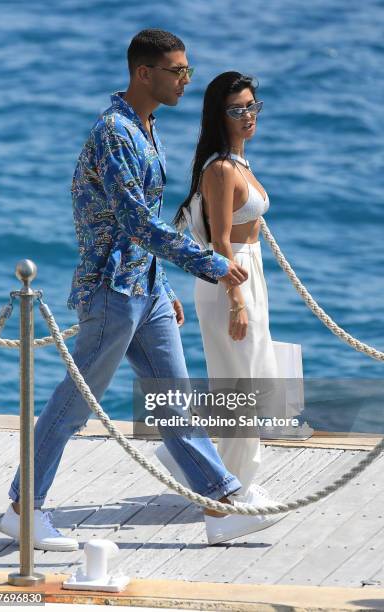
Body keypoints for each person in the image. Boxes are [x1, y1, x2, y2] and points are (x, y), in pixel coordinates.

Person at [0, 31, 284, 550]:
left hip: (144, 287)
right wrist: (210, 264)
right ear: (142, 74)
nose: (185, 81)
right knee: (74, 403)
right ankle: (23, 508)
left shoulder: (148, 129)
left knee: (174, 400)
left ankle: (219, 505)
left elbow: (148, 224)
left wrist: (164, 282)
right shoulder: (114, 133)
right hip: (111, 289)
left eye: (187, 72)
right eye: (177, 72)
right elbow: (135, 222)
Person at [163, 72, 283, 504]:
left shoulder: (238, 161)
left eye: (253, 106)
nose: (248, 115)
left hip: (249, 273)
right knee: (241, 386)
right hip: (230, 278)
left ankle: (201, 463)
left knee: (254, 378)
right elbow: (219, 241)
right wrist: (236, 301)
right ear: (220, 115)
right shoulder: (219, 169)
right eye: (237, 109)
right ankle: (232, 487)